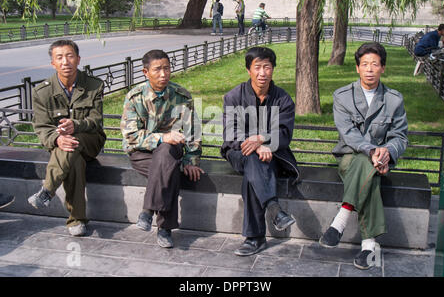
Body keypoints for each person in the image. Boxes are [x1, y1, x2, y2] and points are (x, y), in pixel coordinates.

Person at [319, 42, 408, 270]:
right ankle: (369, 245)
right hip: (349, 157)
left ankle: (342, 219)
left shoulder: (394, 99)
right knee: (365, 163)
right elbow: (348, 134)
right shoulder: (342, 96)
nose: (369, 69)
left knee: (371, 172)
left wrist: (388, 152)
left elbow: (399, 136)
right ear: (357, 68)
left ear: (383, 68)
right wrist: (372, 151)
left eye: (375, 64)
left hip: (380, 160)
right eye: (365, 64)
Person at [121, 49, 203, 249]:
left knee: (166, 153)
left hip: (171, 150)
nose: (164, 74)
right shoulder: (134, 97)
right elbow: (131, 136)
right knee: (170, 168)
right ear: (145, 72)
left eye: (167, 68)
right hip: (141, 153)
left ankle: (148, 210)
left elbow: (193, 132)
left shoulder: (181, 96)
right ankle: (165, 228)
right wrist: (161, 137)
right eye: (157, 69)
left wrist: (191, 160)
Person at [221, 46, 300, 257]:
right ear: (249, 70)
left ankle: (255, 238)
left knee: (252, 172)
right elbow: (231, 135)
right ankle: (274, 208)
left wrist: (263, 140)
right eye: (257, 67)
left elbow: (284, 134)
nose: (262, 73)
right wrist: (255, 144)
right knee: (252, 157)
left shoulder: (282, 98)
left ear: (273, 69)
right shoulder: (234, 97)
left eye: (267, 67)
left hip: (271, 154)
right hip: (238, 152)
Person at [28, 39, 106, 237]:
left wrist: (77, 125)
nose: (65, 62)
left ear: (78, 59)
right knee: (73, 158)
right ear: (52, 63)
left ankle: (47, 190)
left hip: (90, 140)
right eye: (59, 57)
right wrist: (56, 139)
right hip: (63, 147)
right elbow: (42, 127)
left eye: (70, 56)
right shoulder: (42, 92)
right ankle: (77, 220)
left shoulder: (93, 85)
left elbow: (96, 120)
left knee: (74, 141)